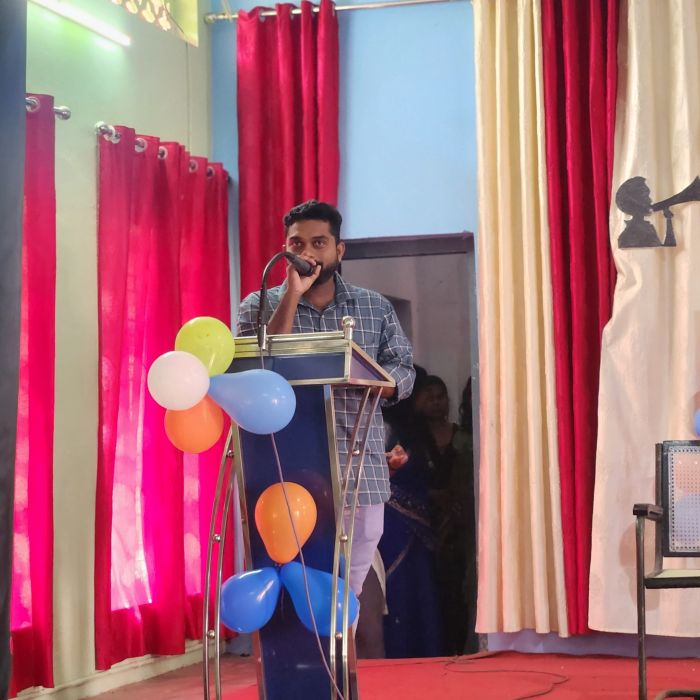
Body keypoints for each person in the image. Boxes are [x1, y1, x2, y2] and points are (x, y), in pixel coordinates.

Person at [237, 200, 415, 598]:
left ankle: (343, 642)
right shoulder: (258, 305)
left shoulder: (374, 307)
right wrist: (291, 296)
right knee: (290, 588)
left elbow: (404, 370)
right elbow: (259, 369)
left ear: (339, 250)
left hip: (361, 471)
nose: (308, 253)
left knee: (347, 593)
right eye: (297, 244)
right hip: (284, 472)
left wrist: (370, 381)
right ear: (285, 249)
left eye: (319, 243)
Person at [413, 374, 478, 655]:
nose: (436, 402)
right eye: (429, 396)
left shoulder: (463, 437)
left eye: (441, 396)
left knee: (460, 587)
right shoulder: (413, 440)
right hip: (423, 522)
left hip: (460, 523)